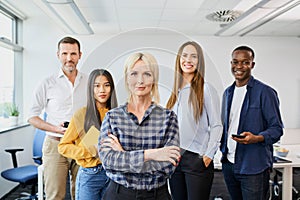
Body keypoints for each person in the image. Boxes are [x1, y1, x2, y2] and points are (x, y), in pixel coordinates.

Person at [98, 52, 181, 200]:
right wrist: (151, 155)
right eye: (134, 74)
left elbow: (168, 166)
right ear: (127, 78)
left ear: (154, 78)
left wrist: (123, 155)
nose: (140, 80)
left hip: (156, 195)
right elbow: (108, 160)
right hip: (119, 194)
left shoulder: (168, 118)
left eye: (147, 74)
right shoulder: (113, 117)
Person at [220, 45, 283, 200]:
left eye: (245, 62)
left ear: (252, 65)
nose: (239, 66)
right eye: (235, 62)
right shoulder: (228, 93)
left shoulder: (265, 92)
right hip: (229, 164)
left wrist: (257, 138)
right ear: (231, 64)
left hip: (254, 166)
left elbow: (276, 129)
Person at [27, 36, 87, 200]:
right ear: (58, 55)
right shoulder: (47, 83)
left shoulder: (89, 81)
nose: (69, 58)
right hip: (55, 144)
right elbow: (32, 117)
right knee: (55, 196)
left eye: (73, 54)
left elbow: (98, 112)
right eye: (65, 53)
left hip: (82, 144)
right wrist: (55, 128)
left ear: (80, 55)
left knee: (82, 194)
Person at [166, 41, 223, 200]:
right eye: (184, 56)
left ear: (199, 61)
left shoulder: (206, 89)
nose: (188, 60)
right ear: (179, 59)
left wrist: (208, 155)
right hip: (176, 159)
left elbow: (217, 125)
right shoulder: (174, 92)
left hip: (197, 159)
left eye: (193, 56)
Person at [58, 69, 118, 199]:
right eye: (96, 86)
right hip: (91, 176)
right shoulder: (81, 115)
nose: (102, 90)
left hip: (114, 175)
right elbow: (63, 146)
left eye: (106, 85)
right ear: (90, 88)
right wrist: (90, 150)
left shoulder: (118, 114)